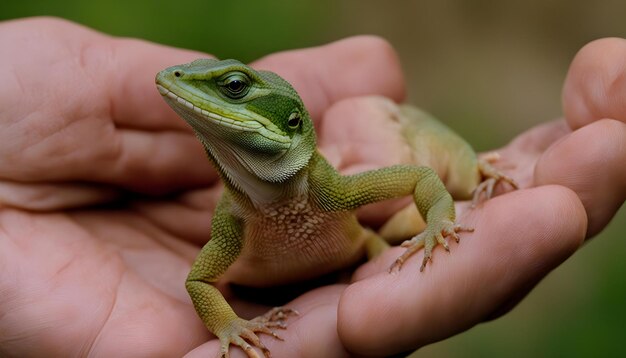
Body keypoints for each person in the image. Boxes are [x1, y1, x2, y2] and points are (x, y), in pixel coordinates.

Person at [0, 17, 623, 357]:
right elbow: (199, 281)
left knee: (394, 266)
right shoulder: (230, 220)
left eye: (234, 89)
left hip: (360, 255)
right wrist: (226, 328)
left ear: (291, 126)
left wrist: (437, 222)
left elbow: (419, 178)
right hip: (266, 294)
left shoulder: (330, 188)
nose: (188, 86)